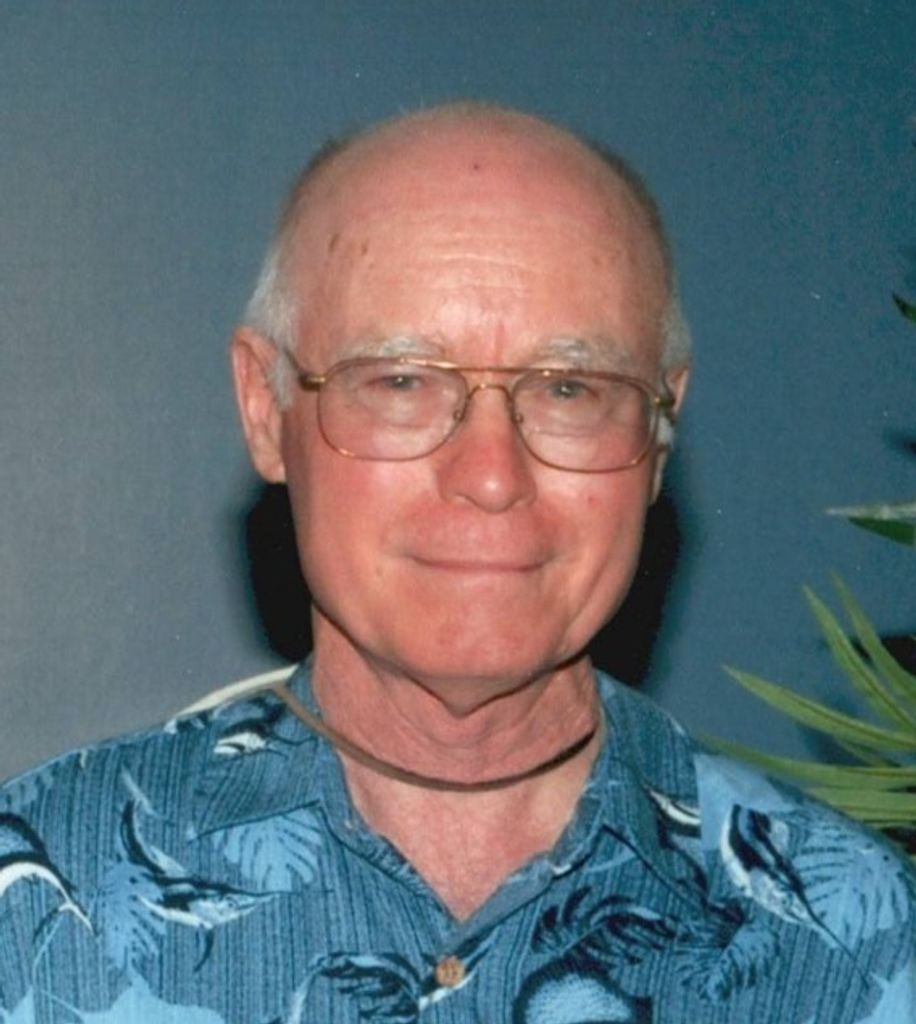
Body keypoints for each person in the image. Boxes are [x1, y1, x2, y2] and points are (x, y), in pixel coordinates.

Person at [0, 102, 912, 1023]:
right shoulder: (36, 904)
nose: (490, 476)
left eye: (569, 389)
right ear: (265, 408)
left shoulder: (860, 951)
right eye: (401, 381)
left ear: (659, 431)